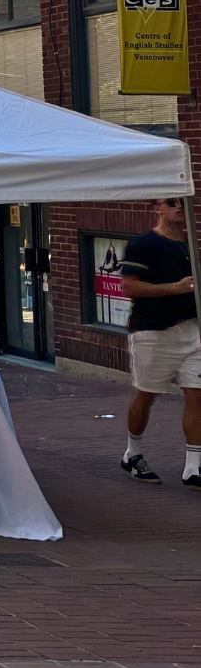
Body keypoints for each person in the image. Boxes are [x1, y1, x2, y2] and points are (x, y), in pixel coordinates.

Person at [117, 198, 201, 486]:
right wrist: (176, 288)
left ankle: (194, 467)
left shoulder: (192, 244)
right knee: (147, 394)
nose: (180, 207)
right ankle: (133, 453)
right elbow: (129, 286)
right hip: (154, 333)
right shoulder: (144, 244)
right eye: (172, 203)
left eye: (184, 203)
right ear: (158, 208)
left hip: (193, 331)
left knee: (197, 394)